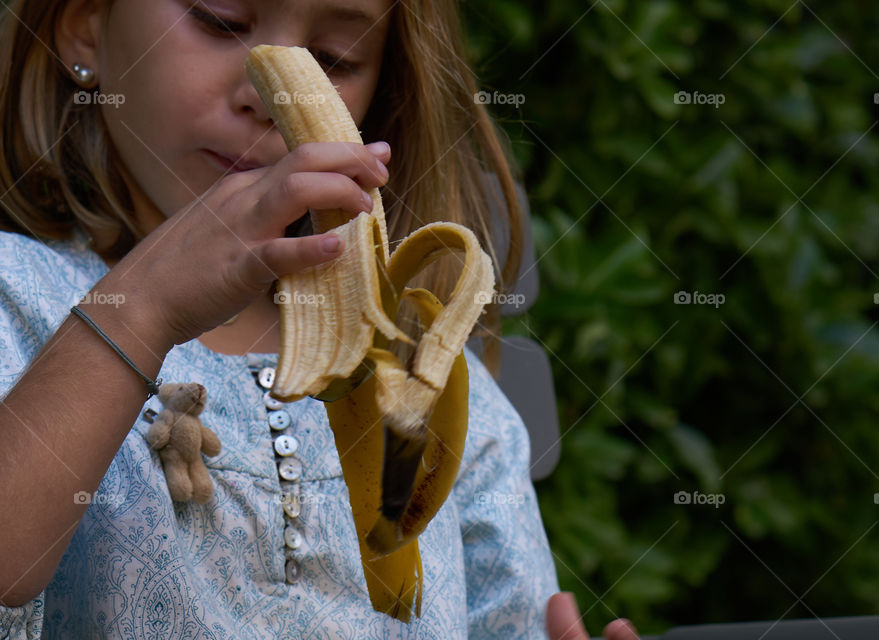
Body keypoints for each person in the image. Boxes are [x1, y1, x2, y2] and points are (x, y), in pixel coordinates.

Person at [0, 0, 638, 637]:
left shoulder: (435, 390)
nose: (265, 97)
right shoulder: (16, 296)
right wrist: (140, 312)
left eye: (335, 60)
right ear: (84, 26)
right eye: (220, 20)